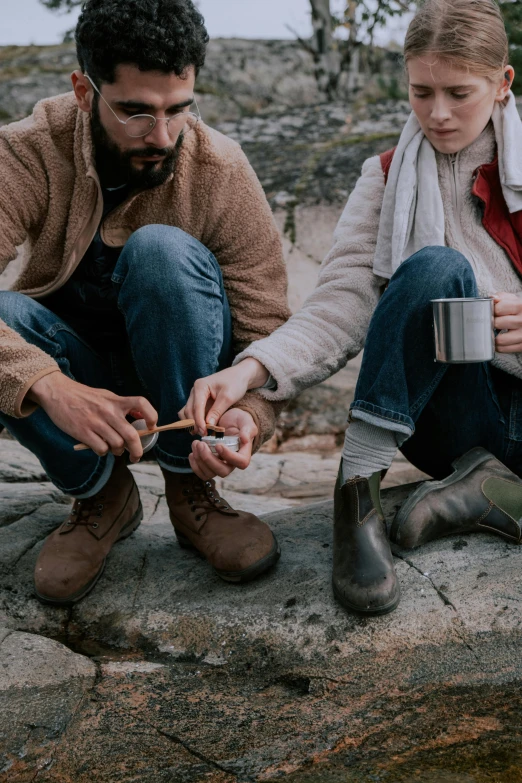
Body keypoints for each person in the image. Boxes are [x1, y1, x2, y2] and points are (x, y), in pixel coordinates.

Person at [181, 0, 522, 616]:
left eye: (459, 93)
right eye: (421, 92)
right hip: (454, 413)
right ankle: (357, 494)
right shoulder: (389, 175)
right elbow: (341, 300)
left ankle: (491, 491)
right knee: (435, 269)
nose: (438, 113)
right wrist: (250, 370)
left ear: (503, 84)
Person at [0, 0, 291, 605]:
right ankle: (102, 495)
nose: (161, 136)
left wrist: (250, 423)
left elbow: (268, 332)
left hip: (184, 392)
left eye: (177, 110)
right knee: (8, 319)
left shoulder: (220, 169)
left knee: (160, 251)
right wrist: (50, 386)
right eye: (135, 112)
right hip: (74, 372)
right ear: (84, 91)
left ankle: (190, 492)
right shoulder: (28, 151)